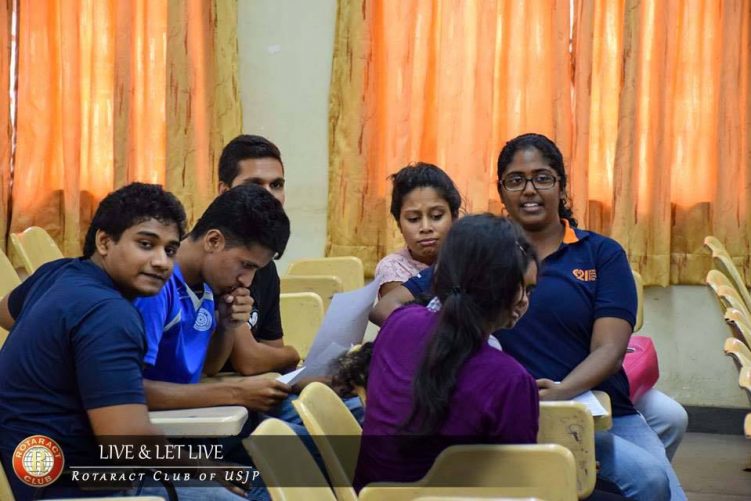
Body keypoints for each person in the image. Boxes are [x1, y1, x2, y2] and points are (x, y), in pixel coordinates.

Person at [0, 184, 245, 500]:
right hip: (70, 487)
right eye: (146, 244)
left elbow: (5, 312)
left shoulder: (57, 273)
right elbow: (126, 441)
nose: (162, 262)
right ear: (104, 241)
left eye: (170, 250)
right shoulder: (110, 315)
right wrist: (204, 468)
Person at [493, 133, 685, 501]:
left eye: (542, 178)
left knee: (655, 484)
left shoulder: (601, 253)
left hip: (603, 414)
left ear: (561, 186)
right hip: (514, 417)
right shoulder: (484, 253)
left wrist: (562, 392)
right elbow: (397, 301)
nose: (529, 190)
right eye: (516, 180)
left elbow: (609, 349)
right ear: (501, 191)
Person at [354, 214, 539, 490]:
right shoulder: (510, 379)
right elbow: (518, 485)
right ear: (499, 287)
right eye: (523, 288)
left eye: (531, 289)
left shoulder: (399, 322)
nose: (525, 300)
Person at [134, 183, 293, 413]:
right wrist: (236, 393)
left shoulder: (208, 282)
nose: (247, 281)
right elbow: (128, 389)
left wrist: (227, 326)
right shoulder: (156, 285)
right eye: (246, 265)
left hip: (190, 414)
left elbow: (209, 367)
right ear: (213, 241)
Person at [217, 134, 300, 375]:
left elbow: (273, 352)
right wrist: (294, 354)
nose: (268, 196)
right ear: (224, 192)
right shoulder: (216, 257)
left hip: (253, 386)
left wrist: (285, 358)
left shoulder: (265, 264)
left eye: (277, 185)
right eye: (254, 185)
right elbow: (250, 360)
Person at [374, 162, 461, 297]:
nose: (425, 228)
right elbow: (404, 310)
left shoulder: (467, 259)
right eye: (413, 219)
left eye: (436, 216)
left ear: (454, 217)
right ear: (399, 224)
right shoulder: (393, 268)